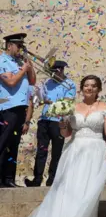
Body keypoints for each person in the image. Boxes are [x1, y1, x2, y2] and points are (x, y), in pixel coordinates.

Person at [2, 74, 106, 217]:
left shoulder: (104, 108)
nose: (89, 88)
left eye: (93, 86)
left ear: (98, 89)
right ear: (81, 88)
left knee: (89, 187)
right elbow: (66, 134)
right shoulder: (73, 107)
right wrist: (62, 123)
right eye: (86, 85)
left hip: (96, 150)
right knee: (69, 186)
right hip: (75, 150)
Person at [27, 60, 75, 188]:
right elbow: (41, 99)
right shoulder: (48, 83)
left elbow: (67, 104)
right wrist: (40, 97)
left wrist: (51, 103)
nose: (52, 75)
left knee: (56, 151)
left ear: (60, 70)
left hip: (58, 121)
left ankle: (52, 179)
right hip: (44, 119)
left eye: (55, 72)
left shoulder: (69, 85)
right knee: (41, 150)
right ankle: (37, 179)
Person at [0, 33, 36, 188]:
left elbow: (33, 81)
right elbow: (11, 81)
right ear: (10, 46)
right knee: (2, 143)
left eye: (22, 46)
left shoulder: (19, 62)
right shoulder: (3, 60)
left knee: (13, 144)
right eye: (19, 46)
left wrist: (30, 67)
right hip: (8, 107)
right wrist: (23, 70)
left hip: (20, 108)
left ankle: (9, 178)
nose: (21, 49)